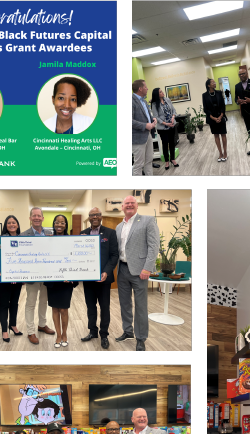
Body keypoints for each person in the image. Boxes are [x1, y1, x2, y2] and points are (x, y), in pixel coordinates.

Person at [115, 196, 160, 351]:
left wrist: (147, 268)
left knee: (141, 306)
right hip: (122, 270)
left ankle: (141, 338)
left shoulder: (147, 221)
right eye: (126, 203)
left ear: (137, 206)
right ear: (122, 206)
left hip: (140, 271)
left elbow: (154, 246)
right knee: (124, 304)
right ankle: (128, 332)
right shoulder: (119, 227)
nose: (129, 205)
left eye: (132, 203)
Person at [80, 208, 119, 350]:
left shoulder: (110, 233)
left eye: (97, 214)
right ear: (89, 218)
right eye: (92, 215)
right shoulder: (83, 234)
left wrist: (106, 272)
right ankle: (92, 332)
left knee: (104, 307)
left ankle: (104, 335)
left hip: (103, 279)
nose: (94, 217)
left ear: (101, 217)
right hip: (88, 279)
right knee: (90, 307)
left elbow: (114, 255)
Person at [22, 207, 55, 345]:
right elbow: (21, 257)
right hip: (32, 276)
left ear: (42, 218)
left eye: (39, 216)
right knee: (30, 303)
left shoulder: (50, 234)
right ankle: (30, 331)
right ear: (30, 218)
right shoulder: (23, 236)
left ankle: (42, 325)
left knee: (43, 302)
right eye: (33, 215)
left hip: (47, 275)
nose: (36, 218)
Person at [44, 214, 79, 348]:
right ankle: (58, 335)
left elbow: (74, 259)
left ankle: (65, 334)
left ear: (66, 225)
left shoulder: (71, 240)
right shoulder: (47, 240)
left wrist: (72, 278)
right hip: (53, 281)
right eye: (57, 222)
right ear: (53, 224)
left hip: (66, 281)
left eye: (62, 223)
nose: (59, 225)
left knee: (64, 309)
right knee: (55, 309)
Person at [0, 215, 23, 343]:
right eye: (9, 223)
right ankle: (4, 330)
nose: (12, 224)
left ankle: (13, 325)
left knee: (15, 302)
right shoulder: (0, 239)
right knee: (4, 303)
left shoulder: (23, 239)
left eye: (14, 222)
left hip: (18, 276)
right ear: (6, 226)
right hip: (4, 277)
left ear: (17, 224)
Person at [150, 88, 179, 170]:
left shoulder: (167, 99)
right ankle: (167, 161)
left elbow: (173, 110)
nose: (162, 92)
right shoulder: (155, 104)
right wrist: (166, 123)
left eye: (162, 91)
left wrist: (173, 117)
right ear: (157, 94)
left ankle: (172, 159)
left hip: (172, 125)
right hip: (163, 128)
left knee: (172, 143)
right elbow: (156, 117)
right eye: (160, 92)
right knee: (165, 144)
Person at [132, 79, 157, 176]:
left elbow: (147, 116)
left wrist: (153, 119)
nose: (147, 88)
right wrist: (145, 125)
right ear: (140, 88)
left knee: (149, 161)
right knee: (138, 165)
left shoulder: (144, 101)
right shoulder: (130, 101)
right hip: (137, 138)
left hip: (148, 135)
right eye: (145, 87)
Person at [202, 78, 228, 162]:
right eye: (212, 82)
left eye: (214, 82)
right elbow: (205, 108)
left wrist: (220, 116)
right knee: (216, 135)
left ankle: (225, 153)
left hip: (221, 117)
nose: (214, 83)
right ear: (208, 85)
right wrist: (213, 118)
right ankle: (220, 153)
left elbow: (223, 106)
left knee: (223, 134)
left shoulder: (219, 93)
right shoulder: (204, 95)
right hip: (211, 118)